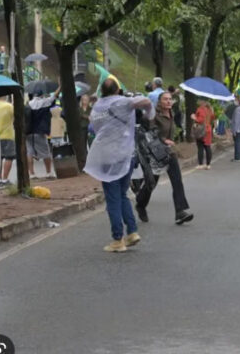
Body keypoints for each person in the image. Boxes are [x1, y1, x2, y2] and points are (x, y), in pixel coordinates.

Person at [83, 77, 153, 252]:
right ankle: (132, 232)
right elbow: (145, 100)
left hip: (107, 157)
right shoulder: (123, 102)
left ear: (102, 92)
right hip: (126, 155)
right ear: (117, 90)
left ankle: (117, 239)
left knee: (113, 197)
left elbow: (94, 128)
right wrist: (148, 112)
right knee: (122, 194)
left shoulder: (96, 107)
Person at [135, 91, 194, 225]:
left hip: (170, 152)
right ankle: (140, 204)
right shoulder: (154, 114)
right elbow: (149, 131)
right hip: (156, 153)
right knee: (152, 182)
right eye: (165, 99)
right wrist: (163, 140)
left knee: (177, 181)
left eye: (170, 99)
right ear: (159, 101)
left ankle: (180, 212)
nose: (168, 101)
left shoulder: (172, 113)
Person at [26, 85, 61, 179]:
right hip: (39, 132)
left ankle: (32, 174)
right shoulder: (45, 102)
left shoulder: (28, 104)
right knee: (46, 152)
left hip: (28, 133)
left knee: (29, 153)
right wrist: (60, 85)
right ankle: (49, 173)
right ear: (42, 95)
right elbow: (55, 96)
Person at [0, 95, 15, 186]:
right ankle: (5, 179)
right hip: (8, 135)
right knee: (9, 157)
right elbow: (15, 119)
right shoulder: (9, 106)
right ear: (5, 96)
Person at [191, 100, 215, 169]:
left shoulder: (200, 109)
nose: (197, 101)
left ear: (202, 101)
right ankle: (208, 164)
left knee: (200, 147)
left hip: (201, 130)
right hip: (208, 129)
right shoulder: (210, 109)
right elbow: (212, 118)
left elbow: (200, 120)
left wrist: (194, 117)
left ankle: (200, 164)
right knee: (207, 147)